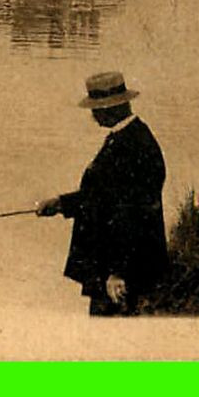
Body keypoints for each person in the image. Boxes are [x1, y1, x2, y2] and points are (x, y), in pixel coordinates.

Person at [37, 71, 168, 316]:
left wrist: (118, 271)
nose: (94, 116)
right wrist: (61, 204)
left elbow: (133, 213)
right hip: (110, 265)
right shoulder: (125, 137)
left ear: (113, 108)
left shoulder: (133, 145)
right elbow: (102, 195)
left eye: (96, 109)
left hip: (122, 271)